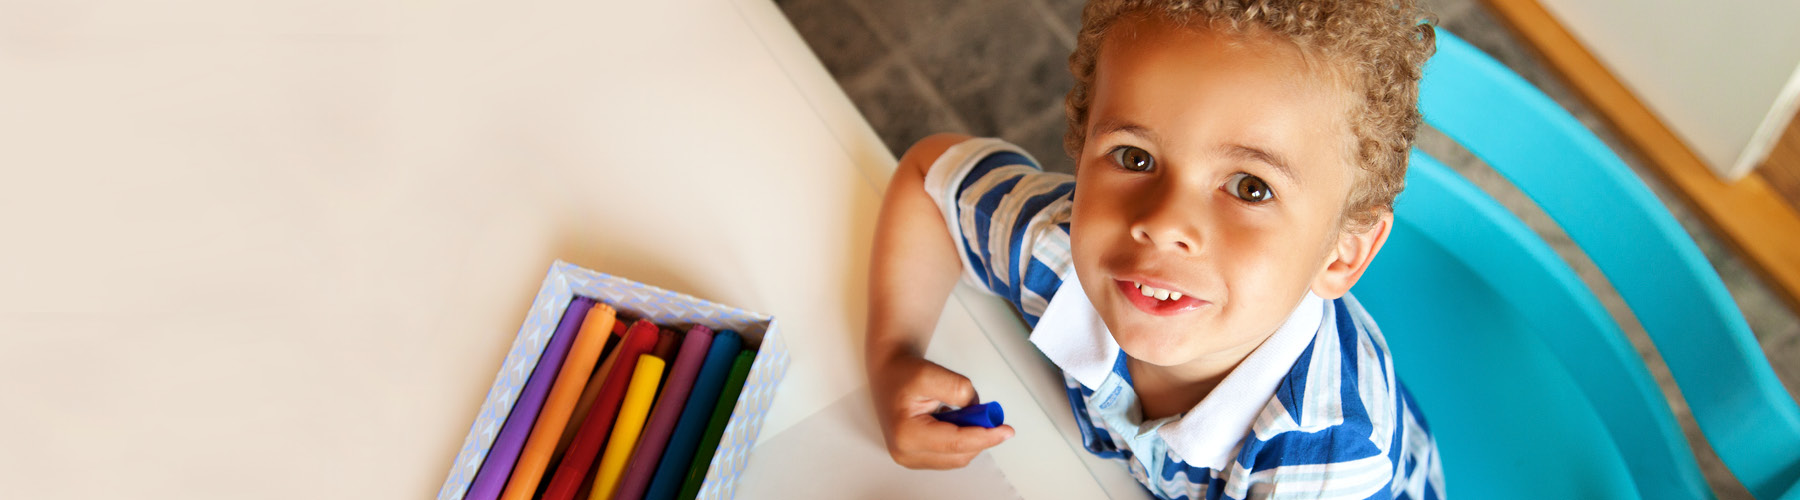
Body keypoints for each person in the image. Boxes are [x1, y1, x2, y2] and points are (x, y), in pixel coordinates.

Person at [863, 1, 1446, 498]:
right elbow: (930, 181)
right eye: (1135, 157)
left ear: (1342, 254)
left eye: (1250, 187)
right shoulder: (1057, 249)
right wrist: (893, 355)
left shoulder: (1329, 460)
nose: (1164, 223)